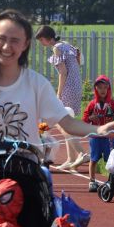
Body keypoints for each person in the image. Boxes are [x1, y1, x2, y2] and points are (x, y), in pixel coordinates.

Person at [0, 9, 114, 160]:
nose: (6, 47)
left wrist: (101, 129)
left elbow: (68, 123)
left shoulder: (37, 84)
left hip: (27, 170)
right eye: (1, 39)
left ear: (25, 44)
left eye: (15, 40)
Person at [35, 25, 87, 170]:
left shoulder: (57, 48)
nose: (41, 44)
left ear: (45, 39)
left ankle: (81, 153)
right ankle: (71, 158)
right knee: (66, 120)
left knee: (63, 122)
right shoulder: (66, 45)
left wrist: (58, 93)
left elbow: (62, 73)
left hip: (68, 87)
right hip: (76, 85)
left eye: (41, 41)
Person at [82, 75, 114, 192]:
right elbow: (84, 119)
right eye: (100, 87)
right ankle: (92, 181)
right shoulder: (92, 104)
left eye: (105, 87)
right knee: (93, 159)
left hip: (109, 137)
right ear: (96, 89)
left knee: (112, 160)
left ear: (108, 89)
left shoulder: (113, 104)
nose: (103, 90)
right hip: (96, 137)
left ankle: (112, 181)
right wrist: (90, 118)